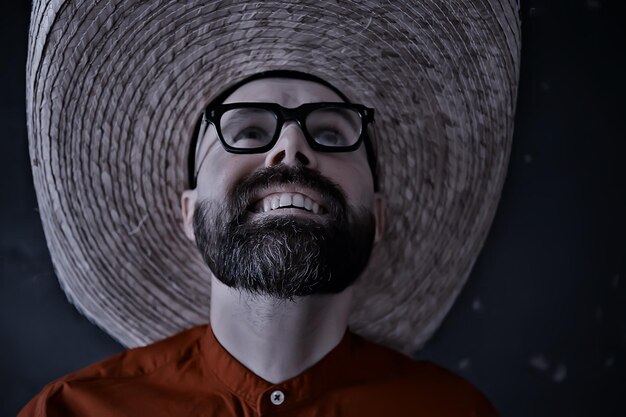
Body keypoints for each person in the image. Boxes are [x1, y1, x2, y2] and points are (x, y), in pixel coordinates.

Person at [20, 1, 520, 416]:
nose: (291, 147)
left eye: (329, 133)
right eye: (249, 132)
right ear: (190, 213)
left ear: (380, 216)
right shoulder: (70, 411)